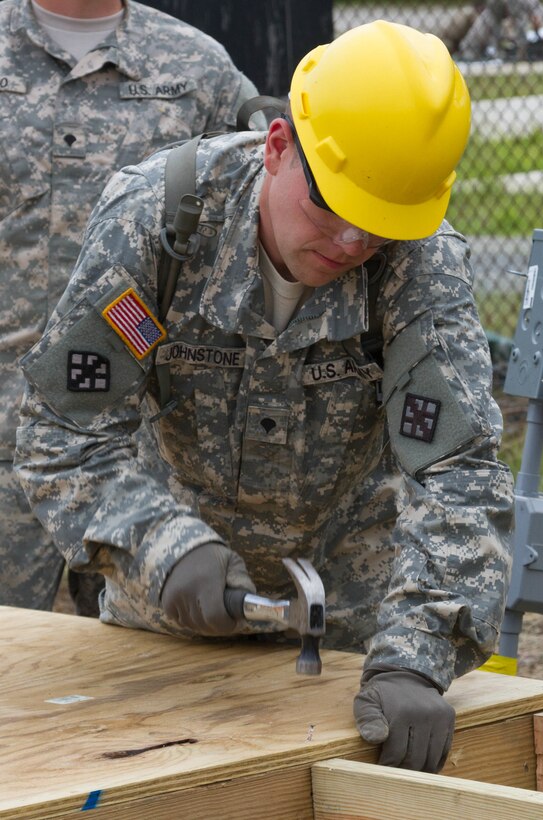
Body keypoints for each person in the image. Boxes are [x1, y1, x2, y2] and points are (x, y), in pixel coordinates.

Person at [16, 21, 515, 773]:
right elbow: (63, 433)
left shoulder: (417, 267)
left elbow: (460, 473)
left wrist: (417, 654)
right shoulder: (161, 223)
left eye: (377, 225)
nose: (350, 242)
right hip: (172, 623)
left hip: (353, 643)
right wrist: (160, 547)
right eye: (329, 205)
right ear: (278, 146)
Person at [0, 0, 263, 616]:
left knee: (144, 682)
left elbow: (270, 202)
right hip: (6, 433)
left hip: (139, 453)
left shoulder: (199, 68)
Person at [458, 0, 543, 60]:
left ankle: (518, 55)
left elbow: (534, 19)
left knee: (492, 28)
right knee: (483, 29)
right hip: (496, 11)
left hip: (504, 13)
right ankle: (468, 51)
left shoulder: (530, 5)